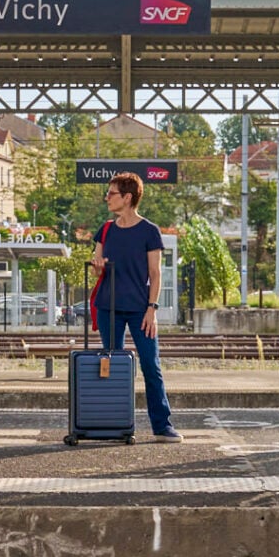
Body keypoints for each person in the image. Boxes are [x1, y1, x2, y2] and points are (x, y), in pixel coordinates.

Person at [90, 172, 182, 443]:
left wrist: (152, 308)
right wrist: (98, 268)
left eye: (112, 193)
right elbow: (98, 270)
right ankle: (115, 423)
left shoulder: (149, 231)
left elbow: (155, 274)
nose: (107, 198)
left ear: (127, 197)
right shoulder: (105, 229)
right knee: (113, 367)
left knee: (151, 365)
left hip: (141, 309)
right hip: (109, 307)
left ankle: (162, 426)